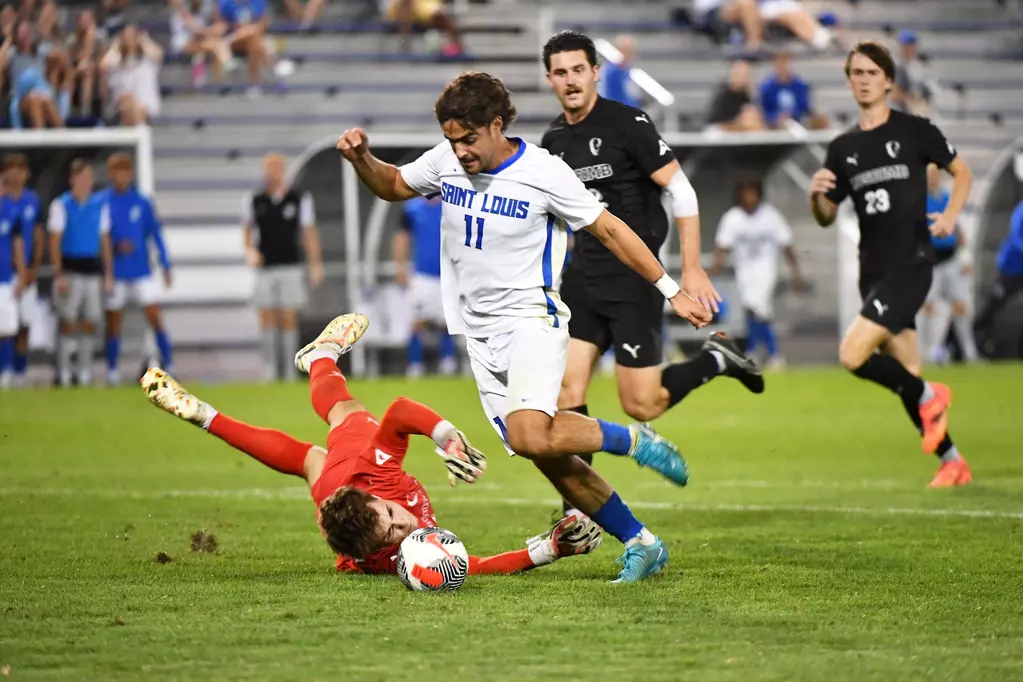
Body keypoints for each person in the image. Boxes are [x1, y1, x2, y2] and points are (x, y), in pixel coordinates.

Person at [337, 70, 714, 583]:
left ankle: (634, 441)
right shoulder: (445, 161)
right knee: (547, 456)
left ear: (496, 125)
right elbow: (393, 185)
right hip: (479, 335)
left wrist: (672, 289)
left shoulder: (544, 171)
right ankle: (642, 542)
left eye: (469, 139)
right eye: (452, 139)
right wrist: (363, 158)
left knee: (531, 432)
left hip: (531, 318)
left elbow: (608, 228)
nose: (461, 151)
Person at [141, 312, 603, 575]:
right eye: (393, 533)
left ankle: (317, 357)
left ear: (375, 498)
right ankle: (215, 410)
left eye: (392, 519)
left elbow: (401, 410)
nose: (405, 529)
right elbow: (470, 566)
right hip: (342, 519)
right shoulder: (386, 555)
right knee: (310, 460)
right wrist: (547, 549)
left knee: (344, 419)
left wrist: (447, 437)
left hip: (347, 474)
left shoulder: (376, 474)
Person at [540, 32, 765, 514]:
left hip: (636, 283)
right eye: (560, 72)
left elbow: (681, 192)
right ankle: (580, 510)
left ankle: (718, 359)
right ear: (549, 80)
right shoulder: (553, 141)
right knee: (566, 393)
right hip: (582, 282)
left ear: (595, 71)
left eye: (578, 69)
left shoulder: (628, 123)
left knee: (641, 406)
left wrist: (692, 270)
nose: (570, 80)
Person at [808, 41, 973, 488]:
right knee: (907, 374)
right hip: (873, 272)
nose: (862, 79)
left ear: (887, 81)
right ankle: (953, 461)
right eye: (855, 72)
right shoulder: (843, 148)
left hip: (911, 263)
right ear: (849, 81)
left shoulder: (916, 130)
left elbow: (963, 172)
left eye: (870, 72)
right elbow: (825, 218)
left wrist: (953, 215)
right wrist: (816, 194)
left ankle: (930, 395)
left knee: (852, 355)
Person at [243, 152, 324, 382]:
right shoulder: (255, 200)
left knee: (288, 316)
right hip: (266, 267)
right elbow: (247, 230)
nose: (274, 173)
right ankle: (269, 370)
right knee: (267, 316)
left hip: (291, 265)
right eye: (270, 168)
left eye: (278, 168)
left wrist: (315, 263)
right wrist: (249, 251)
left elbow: (309, 232)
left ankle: (289, 371)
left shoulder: (298, 199)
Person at [710, 175, 805, 368]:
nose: (748, 198)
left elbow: (786, 245)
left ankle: (772, 354)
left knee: (757, 305)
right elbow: (722, 246)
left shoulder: (770, 216)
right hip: (744, 270)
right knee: (752, 310)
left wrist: (796, 273)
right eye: (745, 194)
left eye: (752, 194)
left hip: (766, 268)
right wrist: (712, 270)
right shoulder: (733, 217)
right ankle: (760, 352)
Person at [102, 153, 174, 385]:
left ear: (130, 174)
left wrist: (165, 263)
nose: (120, 176)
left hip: (141, 270)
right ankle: (112, 371)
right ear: (110, 175)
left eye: (123, 171)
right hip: (116, 273)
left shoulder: (142, 202)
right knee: (113, 322)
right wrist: (115, 246)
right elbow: (98, 237)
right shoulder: (104, 202)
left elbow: (155, 234)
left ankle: (169, 365)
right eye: (115, 171)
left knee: (155, 316)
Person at [48, 159, 113, 387]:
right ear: (72, 179)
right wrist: (59, 273)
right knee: (67, 320)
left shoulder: (98, 205)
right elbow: (54, 241)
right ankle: (64, 371)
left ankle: (84, 370)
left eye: (88, 177)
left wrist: (108, 273)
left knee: (90, 321)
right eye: (81, 177)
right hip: (71, 269)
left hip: (92, 270)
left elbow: (104, 240)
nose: (85, 182)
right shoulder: (61, 204)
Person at [917, 164, 978, 364]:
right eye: (928, 176)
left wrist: (965, 256)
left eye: (935, 176)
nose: (932, 179)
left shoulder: (946, 199)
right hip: (929, 262)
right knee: (927, 306)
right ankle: (926, 353)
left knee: (961, 306)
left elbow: (958, 229)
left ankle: (970, 353)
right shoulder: (918, 201)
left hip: (950, 259)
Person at [392, 194, 458, 378]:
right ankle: (415, 365)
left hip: (447, 275)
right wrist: (400, 267)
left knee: (448, 322)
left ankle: (448, 363)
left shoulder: (451, 207)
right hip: (422, 276)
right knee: (417, 321)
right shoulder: (411, 208)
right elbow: (401, 237)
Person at [0, 154, 42, 387]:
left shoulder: (33, 201)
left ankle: (19, 371)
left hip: (23, 272)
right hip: (6, 273)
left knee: (23, 323)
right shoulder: (4, 204)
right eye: (9, 169)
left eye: (19, 169)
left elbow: (37, 236)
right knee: (5, 326)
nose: (14, 173)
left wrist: (31, 267)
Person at [973, 197, 1023, 356]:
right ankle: (978, 338)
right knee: (996, 305)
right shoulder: (1021, 209)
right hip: (1012, 267)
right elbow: (1016, 235)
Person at [759, 50, 829, 130]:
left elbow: (806, 108)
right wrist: (776, 117)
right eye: (779, 63)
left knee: (820, 119)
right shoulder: (767, 88)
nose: (783, 67)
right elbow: (764, 110)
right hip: (775, 123)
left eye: (785, 62)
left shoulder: (800, 86)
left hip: (799, 120)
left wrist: (793, 115)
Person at [0, 187, 26, 388]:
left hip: (5, 280)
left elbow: (17, 246)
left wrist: (22, 275)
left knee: (7, 329)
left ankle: (7, 373)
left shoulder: (11, 213)